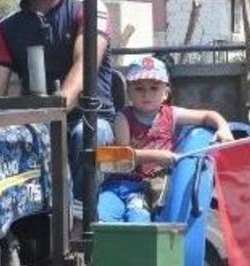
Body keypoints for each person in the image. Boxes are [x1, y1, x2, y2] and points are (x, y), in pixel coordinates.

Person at [0, 0, 115, 200]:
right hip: (36, 119)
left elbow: (84, 65)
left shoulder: (89, 8)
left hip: (88, 116)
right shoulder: (5, 29)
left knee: (86, 137)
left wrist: (58, 108)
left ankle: (80, 221)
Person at [99, 57, 233, 223]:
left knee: (138, 219)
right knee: (101, 214)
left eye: (154, 88)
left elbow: (207, 115)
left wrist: (223, 127)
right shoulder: (123, 118)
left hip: (152, 188)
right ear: (129, 92)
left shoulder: (171, 114)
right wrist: (156, 156)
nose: (146, 94)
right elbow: (123, 157)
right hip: (122, 184)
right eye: (139, 88)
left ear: (165, 93)